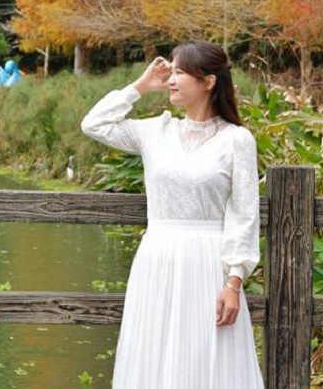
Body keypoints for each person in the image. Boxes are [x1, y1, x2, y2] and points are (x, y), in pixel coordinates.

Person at [81, 41, 263, 389]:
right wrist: (139, 86)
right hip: (158, 259)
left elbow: (244, 214)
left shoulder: (237, 140)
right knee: (153, 354)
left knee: (206, 359)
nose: (172, 80)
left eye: (181, 72)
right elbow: (94, 124)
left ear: (208, 82)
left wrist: (234, 281)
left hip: (209, 264)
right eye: (172, 71)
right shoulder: (155, 132)